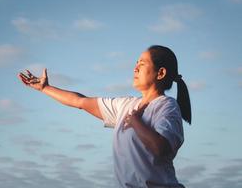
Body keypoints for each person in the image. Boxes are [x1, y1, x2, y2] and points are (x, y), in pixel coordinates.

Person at [18, 45, 191, 188]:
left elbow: (162, 148)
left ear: (160, 73)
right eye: (136, 63)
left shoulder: (167, 106)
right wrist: (45, 88)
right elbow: (80, 101)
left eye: (143, 63)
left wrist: (136, 122)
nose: (135, 67)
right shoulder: (125, 105)